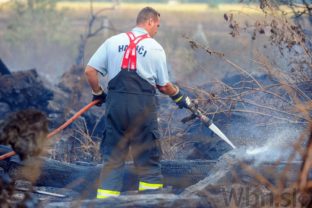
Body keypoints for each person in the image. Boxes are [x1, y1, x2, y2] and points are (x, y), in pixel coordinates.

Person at [85, 7, 190, 199]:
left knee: (113, 160)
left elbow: (90, 71)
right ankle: (149, 202)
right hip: (142, 109)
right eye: (157, 25)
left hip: (115, 107)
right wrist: (179, 96)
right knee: (148, 161)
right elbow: (164, 86)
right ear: (149, 22)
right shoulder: (155, 48)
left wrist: (98, 93)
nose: (157, 29)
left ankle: (106, 204)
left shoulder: (112, 41)